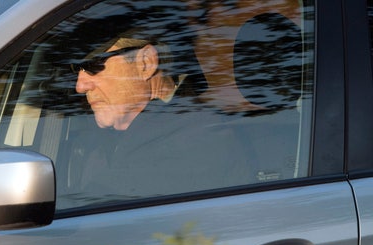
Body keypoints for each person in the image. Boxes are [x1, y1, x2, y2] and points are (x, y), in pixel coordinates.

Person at [63, 16, 250, 205]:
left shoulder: (194, 141)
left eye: (93, 65)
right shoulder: (116, 137)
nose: (80, 86)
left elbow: (93, 218)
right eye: (76, 68)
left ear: (146, 62)